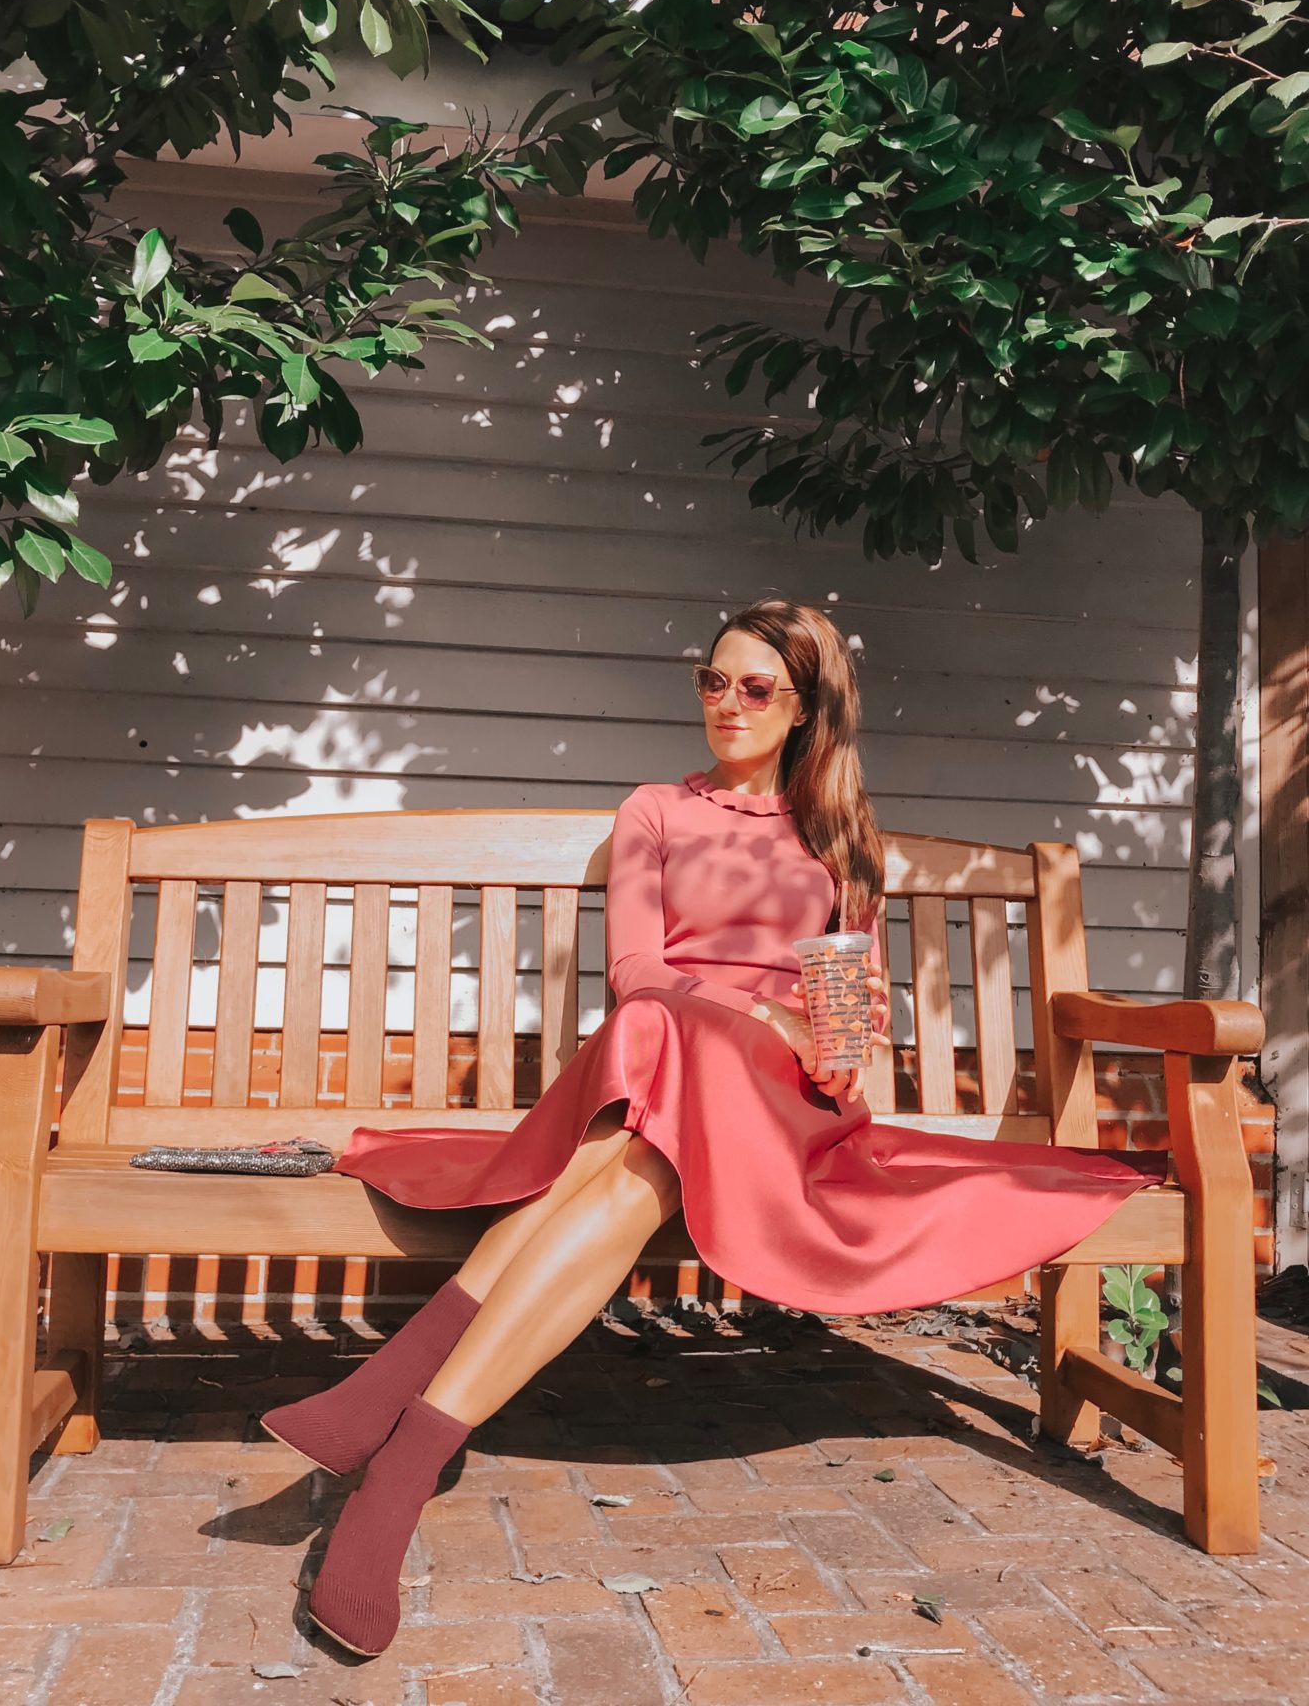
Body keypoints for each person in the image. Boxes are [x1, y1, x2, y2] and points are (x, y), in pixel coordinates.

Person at [261, 597, 1168, 1657]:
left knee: (643, 1100)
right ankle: (404, 1462)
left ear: (802, 708)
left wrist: (836, 1031)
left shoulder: (839, 837)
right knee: (651, 1062)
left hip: (781, 1108)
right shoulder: (652, 809)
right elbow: (639, 971)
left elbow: (847, 1006)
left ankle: (388, 1410)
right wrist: (752, 1006)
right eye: (713, 680)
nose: (727, 704)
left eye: (756, 688)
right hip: (663, 1063)